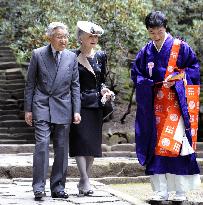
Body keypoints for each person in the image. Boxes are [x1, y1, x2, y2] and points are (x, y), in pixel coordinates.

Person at [131, 11, 201, 202]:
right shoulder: (145, 52)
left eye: (159, 31)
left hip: (176, 107)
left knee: (176, 148)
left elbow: (193, 69)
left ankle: (180, 192)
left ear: (165, 28)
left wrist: (178, 80)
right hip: (154, 108)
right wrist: (147, 83)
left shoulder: (181, 48)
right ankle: (160, 191)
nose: (156, 36)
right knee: (156, 148)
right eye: (152, 32)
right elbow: (136, 74)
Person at [24, 22, 81, 200]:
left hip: (63, 105)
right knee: (41, 145)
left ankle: (58, 187)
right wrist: (28, 109)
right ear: (50, 37)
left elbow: (75, 85)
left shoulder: (71, 57)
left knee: (62, 148)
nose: (63, 40)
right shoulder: (38, 54)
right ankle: (38, 188)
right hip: (41, 104)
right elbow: (30, 84)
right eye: (59, 37)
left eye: (65, 37)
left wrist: (76, 110)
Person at [69, 21, 113, 196]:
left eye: (96, 36)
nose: (94, 39)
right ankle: (85, 179)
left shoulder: (101, 56)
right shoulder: (71, 56)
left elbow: (101, 79)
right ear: (81, 38)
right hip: (78, 103)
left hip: (96, 104)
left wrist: (104, 89)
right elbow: (70, 83)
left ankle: (84, 179)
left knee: (93, 144)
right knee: (80, 141)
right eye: (90, 36)